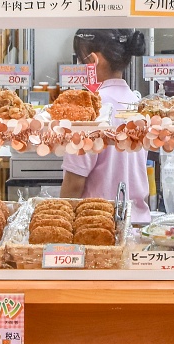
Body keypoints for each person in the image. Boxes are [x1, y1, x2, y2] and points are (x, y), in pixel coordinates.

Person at [60, 28, 151, 223]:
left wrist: (60, 221)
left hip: (99, 225)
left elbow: (74, 183)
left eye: (80, 60)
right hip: (137, 222)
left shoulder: (90, 107)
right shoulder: (137, 103)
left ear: (93, 61)